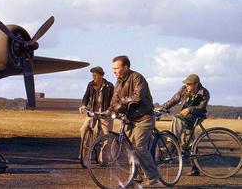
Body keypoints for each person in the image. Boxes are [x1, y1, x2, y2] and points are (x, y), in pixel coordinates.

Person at [108, 55, 161, 186]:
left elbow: (137, 97)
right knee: (129, 148)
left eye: (116, 68)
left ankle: (153, 176)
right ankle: (135, 176)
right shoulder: (119, 81)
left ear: (125, 67)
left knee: (139, 147)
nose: (114, 71)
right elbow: (115, 99)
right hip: (129, 118)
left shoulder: (137, 78)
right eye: (113, 69)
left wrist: (121, 102)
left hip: (144, 117)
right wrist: (110, 108)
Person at [159, 74, 210, 176]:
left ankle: (171, 143)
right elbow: (174, 100)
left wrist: (190, 109)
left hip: (197, 115)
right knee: (189, 142)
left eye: (189, 84)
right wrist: (162, 108)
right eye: (186, 84)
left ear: (196, 84)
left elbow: (201, 108)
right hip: (185, 116)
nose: (186, 86)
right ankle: (195, 168)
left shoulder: (204, 93)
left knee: (177, 119)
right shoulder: (183, 90)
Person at [79, 66, 114, 157]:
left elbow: (114, 100)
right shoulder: (90, 85)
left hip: (105, 113)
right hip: (93, 112)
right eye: (92, 75)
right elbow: (86, 96)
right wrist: (83, 106)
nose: (93, 77)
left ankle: (104, 158)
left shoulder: (109, 86)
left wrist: (110, 110)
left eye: (95, 75)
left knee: (106, 135)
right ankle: (85, 155)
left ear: (101, 75)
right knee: (84, 129)